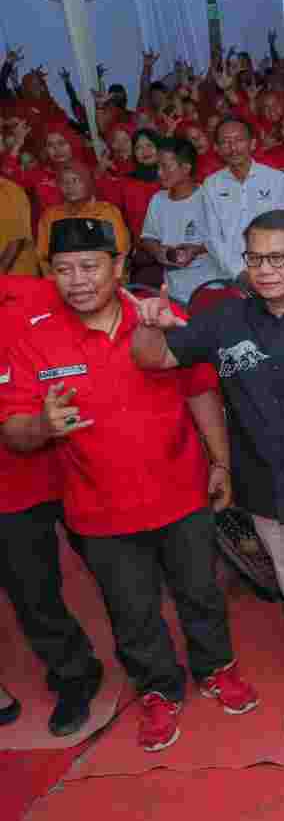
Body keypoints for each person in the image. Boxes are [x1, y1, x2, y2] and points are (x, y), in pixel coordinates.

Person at [0, 218, 258, 753]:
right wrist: (43, 427)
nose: (77, 280)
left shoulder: (160, 318)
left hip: (182, 492)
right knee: (131, 609)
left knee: (200, 592)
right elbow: (14, 429)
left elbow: (201, 391)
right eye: (64, 269)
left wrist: (221, 463)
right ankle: (159, 688)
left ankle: (216, 666)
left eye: (90, 266)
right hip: (99, 509)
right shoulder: (34, 340)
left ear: (118, 267)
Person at [129, 211, 284, 735]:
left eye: (278, 258)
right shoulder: (227, 320)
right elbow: (154, 360)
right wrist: (148, 324)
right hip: (265, 490)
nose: (265, 270)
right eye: (255, 259)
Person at [0, 272, 101, 737]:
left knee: (122, 573)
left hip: (78, 463)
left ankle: (153, 666)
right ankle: (74, 673)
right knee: (32, 592)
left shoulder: (42, 288)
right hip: (8, 489)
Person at [201, 118, 284, 283]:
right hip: (229, 276)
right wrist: (238, 272)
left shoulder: (277, 179)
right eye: (225, 142)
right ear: (217, 148)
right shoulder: (211, 184)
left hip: (273, 271)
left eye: (239, 140)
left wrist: (268, 268)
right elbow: (212, 236)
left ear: (252, 143)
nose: (233, 148)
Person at [139, 138, 225, 305]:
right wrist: (159, 252)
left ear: (185, 168)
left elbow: (226, 238)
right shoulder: (158, 199)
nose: (159, 172)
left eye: (165, 166)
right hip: (173, 291)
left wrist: (196, 250)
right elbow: (148, 236)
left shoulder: (208, 197)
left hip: (210, 288)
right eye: (158, 166)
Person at [36, 163, 130, 264]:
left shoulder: (107, 212)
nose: (69, 186)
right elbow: (43, 256)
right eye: (64, 182)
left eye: (75, 180)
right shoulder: (50, 216)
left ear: (87, 182)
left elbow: (121, 251)